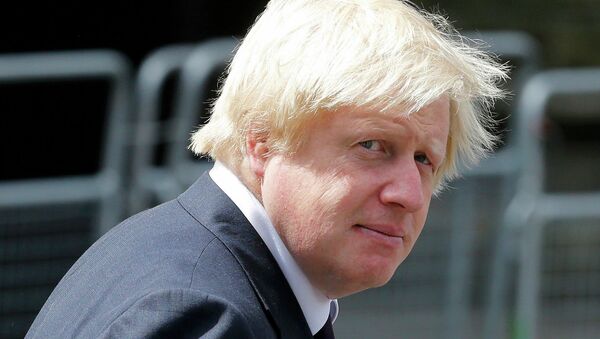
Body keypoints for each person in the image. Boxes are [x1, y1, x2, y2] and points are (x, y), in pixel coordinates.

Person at [27, 0, 507, 338]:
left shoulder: (182, 257)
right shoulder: (204, 313)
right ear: (263, 142)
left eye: (425, 158)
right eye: (373, 145)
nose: (410, 193)